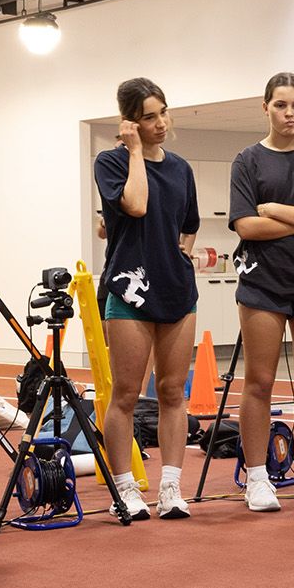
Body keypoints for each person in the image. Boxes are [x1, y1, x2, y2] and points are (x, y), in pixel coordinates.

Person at [227, 72, 294, 513]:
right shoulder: (247, 161)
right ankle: (257, 477)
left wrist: (280, 211)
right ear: (265, 106)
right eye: (281, 105)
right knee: (260, 381)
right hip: (262, 284)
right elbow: (247, 225)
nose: (289, 114)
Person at [97, 78, 201, 520]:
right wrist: (135, 152)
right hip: (129, 287)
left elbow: (189, 222)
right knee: (125, 392)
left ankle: (171, 487)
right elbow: (136, 205)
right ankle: (125, 488)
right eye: (148, 118)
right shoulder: (111, 161)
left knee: (173, 391)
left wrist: (182, 252)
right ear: (130, 124)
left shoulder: (181, 168)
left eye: (163, 113)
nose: (160, 124)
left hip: (176, 288)